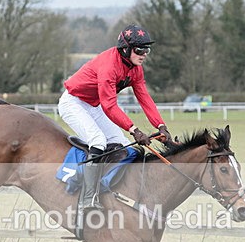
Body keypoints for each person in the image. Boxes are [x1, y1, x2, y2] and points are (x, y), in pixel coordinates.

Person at [58, 24, 172, 213]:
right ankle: (87, 198)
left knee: (122, 143)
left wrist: (161, 125)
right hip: (73, 103)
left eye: (147, 50)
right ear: (125, 49)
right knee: (98, 141)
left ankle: (111, 189)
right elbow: (109, 106)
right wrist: (134, 129)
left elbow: (145, 98)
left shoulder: (135, 68)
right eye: (140, 49)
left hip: (93, 104)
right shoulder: (109, 66)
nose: (144, 54)